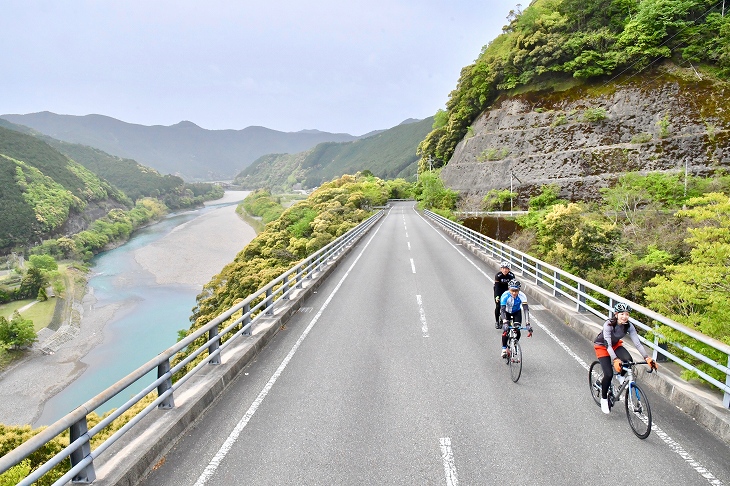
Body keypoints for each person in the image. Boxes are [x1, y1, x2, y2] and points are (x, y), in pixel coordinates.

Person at [593, 302, 658, 414]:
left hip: (616, 345)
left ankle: (620, 375)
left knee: (628, 361)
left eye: (627, 314)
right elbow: (607, 344)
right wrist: (615, 359)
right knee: (608, 374)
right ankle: (604, 399)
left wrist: (647, 358)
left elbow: (637, 344)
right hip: (602, 346)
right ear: (616, 314)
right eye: (622, 314)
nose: (624, 316)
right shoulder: (608, 325)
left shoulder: (629, 326)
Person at [500, 280, 532, 357]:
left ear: (519, 290)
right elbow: (502, 310)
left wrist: (528, 324)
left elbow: (526, 310)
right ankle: (504, 349)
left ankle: (514, 343)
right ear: (509, 289)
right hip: (506, 312)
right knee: (506, 329)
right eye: (512, 290)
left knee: (517, 329)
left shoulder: (522, 296)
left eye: (516, 291)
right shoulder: (505, 295)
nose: (514, 293)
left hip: (516, 312)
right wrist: (504, 322)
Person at [493, 261, 515, 329]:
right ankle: (497, 321)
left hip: (508, 291)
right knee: (498, 306)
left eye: (506, 268)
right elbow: (497, 287)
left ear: (509, 269)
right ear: (501, 269)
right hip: (499, 291)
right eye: (503, 268)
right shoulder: (498, 276)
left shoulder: (511, 276)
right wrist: (497, 297)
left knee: (510, 304)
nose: (505, 270)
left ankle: (507, 319)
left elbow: (513, 287)